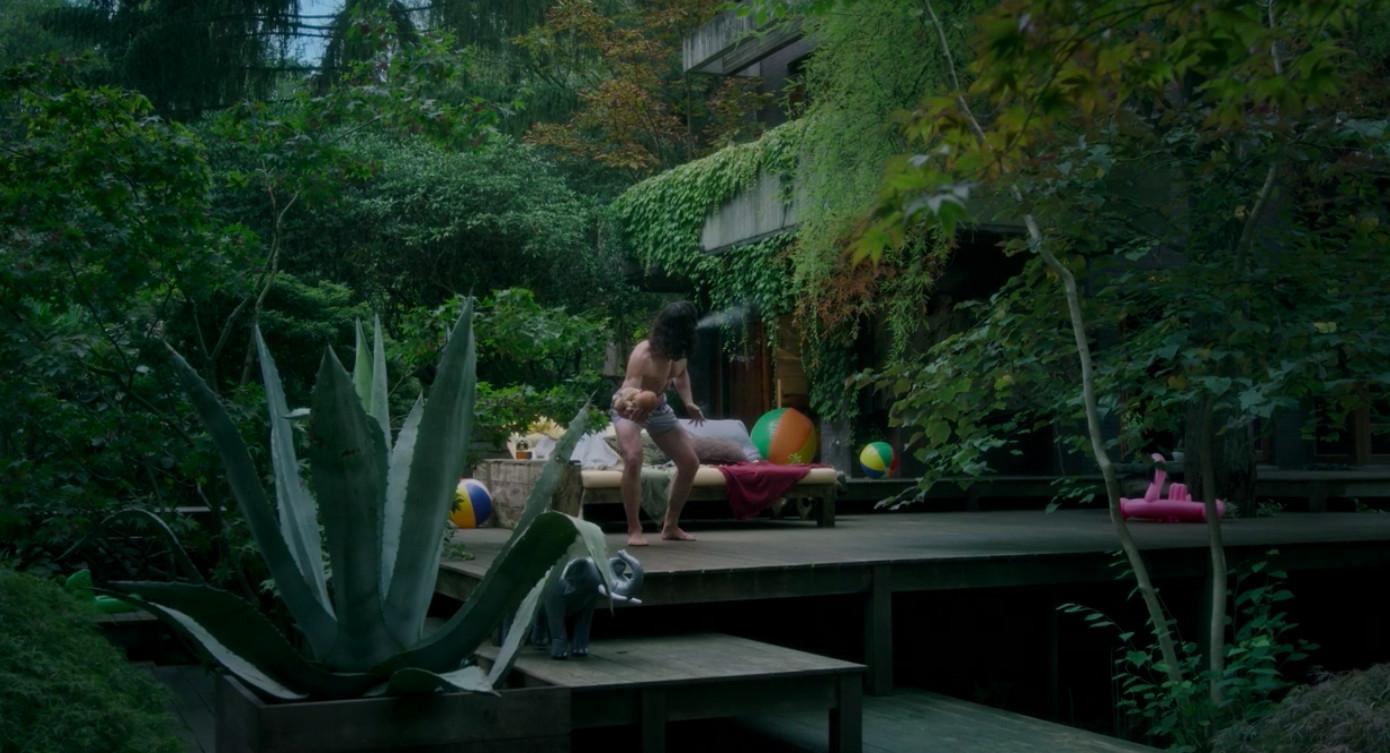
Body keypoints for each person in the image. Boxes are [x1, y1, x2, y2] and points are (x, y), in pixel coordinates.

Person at [611, 301, 705, 545]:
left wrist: (688, 402)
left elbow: (681, 375)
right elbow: (629, 388)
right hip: (630, 405)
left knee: (690, 463)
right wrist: (630, 406)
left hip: (660, 406)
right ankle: (634, 529)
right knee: (633, 458)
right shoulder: (644, 353)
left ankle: (670, 526)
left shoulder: (679, 352)